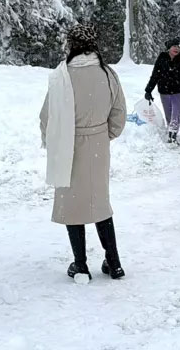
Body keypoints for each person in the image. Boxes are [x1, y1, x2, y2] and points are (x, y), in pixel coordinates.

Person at [40, 24, 128, 282]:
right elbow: (119, 114)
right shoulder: (107, 74)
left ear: (72, 45)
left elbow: (47, 115)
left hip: (68, 144)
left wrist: (52, 140)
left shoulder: (62, 76)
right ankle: (114, 262)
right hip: (98, 143)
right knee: (100, 202)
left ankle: (80, 265)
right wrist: (104, 135)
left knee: (73, 204)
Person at [144, 38, 180, 144]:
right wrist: (148, 90)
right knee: (169, 114)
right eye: (174, 46)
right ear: (169, 48)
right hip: (164, 91)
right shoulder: (162, 58)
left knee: (176, 114)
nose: (176, 49)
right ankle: (171, 131)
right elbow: (155, 75)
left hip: (178, 91)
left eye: (178, 47)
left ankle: (172, 135)